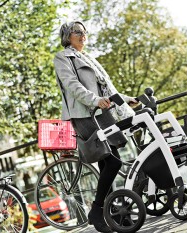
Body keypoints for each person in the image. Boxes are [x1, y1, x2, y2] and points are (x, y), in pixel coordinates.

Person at [53, 20, 137, 233]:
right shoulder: (62, 57)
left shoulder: (88, 57)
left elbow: (106, 88)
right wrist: (94, 100)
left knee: (107, 163)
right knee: (113, 162)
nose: (83, 35)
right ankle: (97, 211)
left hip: (101, 113)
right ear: (67, 36)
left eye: (84, 32)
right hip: (83, 115)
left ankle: (112, 215)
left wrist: (126, 99)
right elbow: (72, 86)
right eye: (77, 32)